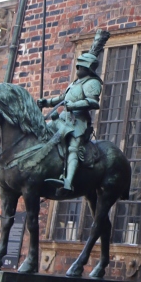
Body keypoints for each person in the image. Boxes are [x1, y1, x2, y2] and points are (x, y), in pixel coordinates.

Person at [39, 30, 108, 193]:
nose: (78, 68)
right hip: (64, 118)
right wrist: (46, 102)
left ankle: (68, 181)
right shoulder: (75, 83)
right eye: (78, 65)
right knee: (42, 135)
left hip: (78, 122)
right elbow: (62, 98)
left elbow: (93, 102)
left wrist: (74, 106)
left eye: (81, 66)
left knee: (73, 148)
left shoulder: (92, 83)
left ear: (88, 68)